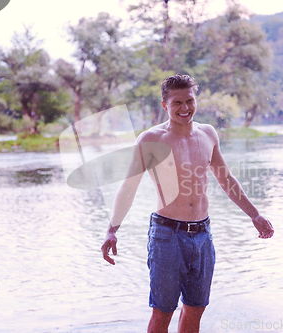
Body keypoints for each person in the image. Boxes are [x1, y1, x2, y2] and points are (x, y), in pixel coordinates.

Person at [101, 74, 274, 333]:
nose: (185, 108)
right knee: (163, 312)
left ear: (196, 101)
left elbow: (226, 179)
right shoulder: (150, 140)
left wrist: (255, 215)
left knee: (195, 309)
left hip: (203, 235)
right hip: (166, 235)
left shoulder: (207, 134)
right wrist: (112, 230)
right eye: (177, 103)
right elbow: (128, 187)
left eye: (189, 101)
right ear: (165, 105)